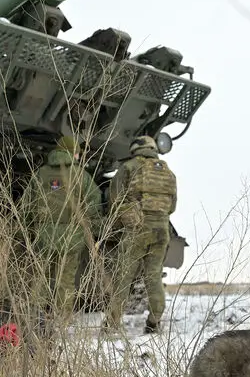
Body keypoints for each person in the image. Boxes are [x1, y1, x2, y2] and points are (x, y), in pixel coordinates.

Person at [18, 136, 103, 323]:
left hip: (44, 237)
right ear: (74, 153)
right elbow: (94, 205)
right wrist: (94, 233)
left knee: (41, 279)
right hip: (72, 238)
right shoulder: (82, 175)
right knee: (66, 282)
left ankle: (35, 318)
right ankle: (61, 320)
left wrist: (27, 231)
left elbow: (27, 207)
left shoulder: (40, 174)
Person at [106, 135, 177, 333]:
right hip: (162, 229)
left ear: (135, 149)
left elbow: (115, 198)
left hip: (137, 230)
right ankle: (154, 322)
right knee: (153, 277)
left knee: (123, 278)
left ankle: (112, 324)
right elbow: (172, 206)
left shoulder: (129, 167)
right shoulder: (168, 172)